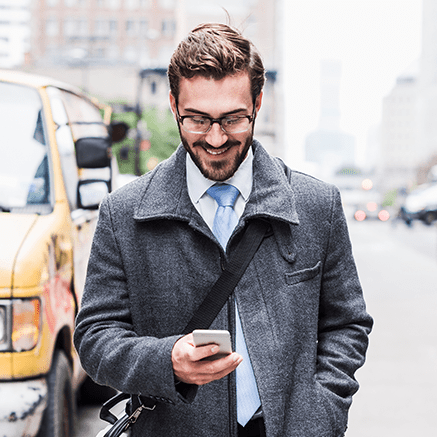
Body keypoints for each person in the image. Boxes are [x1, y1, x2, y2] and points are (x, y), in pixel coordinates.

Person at [74, 23, 373, 437]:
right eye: (197, 120)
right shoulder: (123, 214)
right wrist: (166, 361)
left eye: (233, 119)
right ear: (173, 104)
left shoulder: (317, 205)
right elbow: (94, 338)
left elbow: (347, 325)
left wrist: (320, 414)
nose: (215, 139)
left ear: (258, 102)